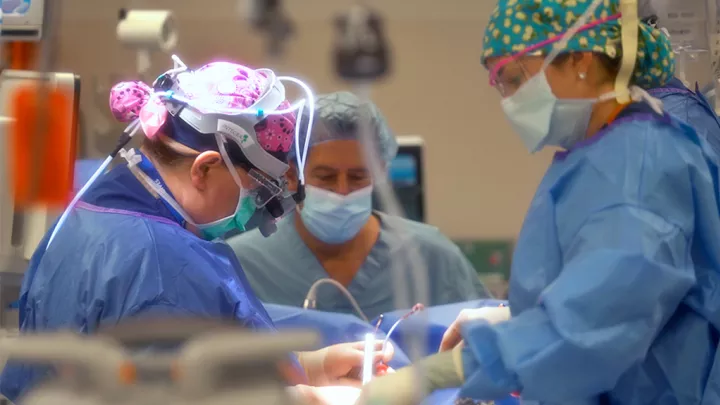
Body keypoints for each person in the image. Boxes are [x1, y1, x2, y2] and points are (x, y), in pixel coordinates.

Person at [357, 0, 720, 404]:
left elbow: (598, 324)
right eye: (500, 85)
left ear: (580, 58)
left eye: (514, 78)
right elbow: (603, 283)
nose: (508, 99)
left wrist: (451, 371)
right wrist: (518, 318)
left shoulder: (638, 166)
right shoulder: (602, 152)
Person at [0, 61, 392, 402]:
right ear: (203, 169)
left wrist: (313, 367)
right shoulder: (160, 265)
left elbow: (191, 366)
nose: (258, 204)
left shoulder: (96, 207)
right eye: (258, 186)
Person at [227, 91, 489, 320]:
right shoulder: (243, 265)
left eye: (358, 176)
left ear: (381, 172)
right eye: (326, 176)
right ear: (293, 176)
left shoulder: (432, 258)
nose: (342, 191)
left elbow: (477, 351)